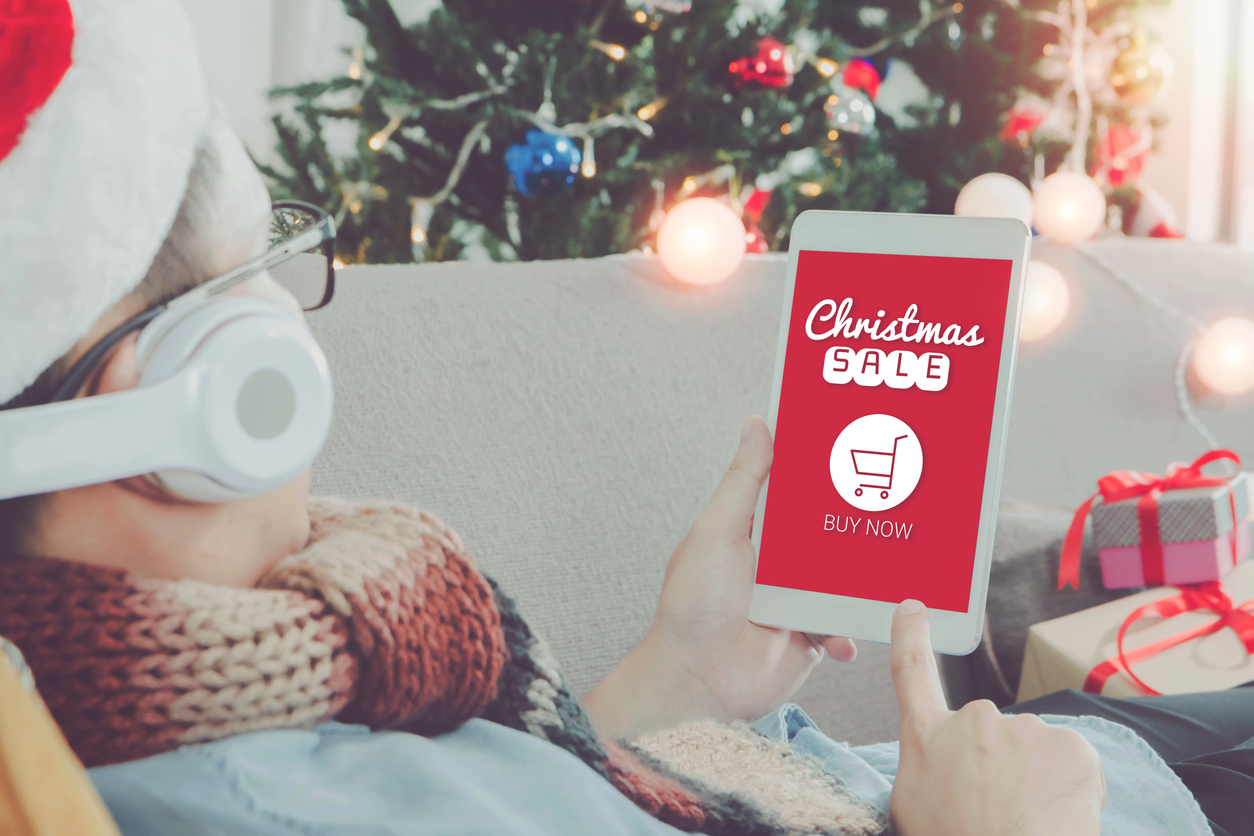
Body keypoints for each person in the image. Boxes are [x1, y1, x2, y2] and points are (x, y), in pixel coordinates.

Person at [0, 3, 1249, 835]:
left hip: (1035, 764)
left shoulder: (208, 692)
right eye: (239, 291)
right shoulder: (229, 794)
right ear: (199, 401)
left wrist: (679, 673)